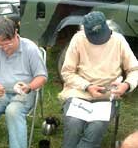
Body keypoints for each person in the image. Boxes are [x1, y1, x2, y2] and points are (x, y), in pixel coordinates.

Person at [59, 11, 138, 148]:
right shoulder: (78, 39)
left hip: (107, 95)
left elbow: (134, 69)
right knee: (73, 124)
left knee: (96, 127)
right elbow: (67, 72)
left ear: (107, 27)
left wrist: (126, 85)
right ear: (85, 32)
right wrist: (87, 86)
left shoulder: (118, 40)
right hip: (80, 91)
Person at [0, 17, 47, 148]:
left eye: (7, 44)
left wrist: (29, 87)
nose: (4, 49)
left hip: (24, 93)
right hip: (1, 92)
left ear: (15, 34)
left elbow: (42, 76)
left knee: (13, 112)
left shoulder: (30, 48)